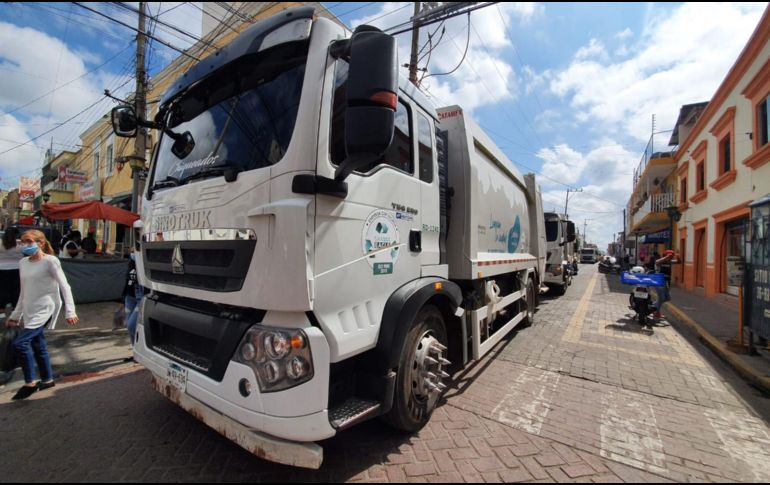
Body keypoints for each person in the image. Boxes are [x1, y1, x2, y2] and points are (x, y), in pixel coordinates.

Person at [5, 230, 79, 400]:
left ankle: (29, 382)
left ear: (41, 243)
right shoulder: (23, 262)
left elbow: (65, 286)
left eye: (29, 241)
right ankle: (47, 380)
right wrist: (16, 315)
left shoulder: (50, 261)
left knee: (20, 343)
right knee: (38, 346)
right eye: (22, 242)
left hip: (46, 309)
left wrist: (70, 311)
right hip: (30, 308)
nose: (25, 245)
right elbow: (23, 291)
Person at [121, 249, 144, 359]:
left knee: (131, 326)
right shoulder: (131, 260)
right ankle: (135, 354)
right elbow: (127, 279)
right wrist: (123, 298)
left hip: (140, 297)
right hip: (129, 297)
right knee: (128, 325)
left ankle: (140, 352)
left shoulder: (142, 259)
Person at [1, 227, 23, 308]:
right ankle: (14, 313)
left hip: (2, 270)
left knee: (2, 290)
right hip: (17, 270)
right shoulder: (21, 244)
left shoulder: (1, 243)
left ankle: (1, 314)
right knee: (16, 291)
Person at [653, 250, 676, 319]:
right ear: (665, 256)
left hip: (666, 283)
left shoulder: (670, 262)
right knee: (661, 298)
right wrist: (666, 257)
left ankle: (652, 306)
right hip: (659, 282)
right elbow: (657, 262)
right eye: (669, 256)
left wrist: (677, 256)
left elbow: (679, 261)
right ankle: (656, 313)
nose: (670, 258)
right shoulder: (660, 261)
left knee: (667, 298)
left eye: (671, 256)